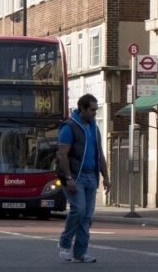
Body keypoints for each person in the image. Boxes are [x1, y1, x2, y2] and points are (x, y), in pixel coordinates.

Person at [56, 92, 110, 264]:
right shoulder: (69, 127)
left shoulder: (94, 128)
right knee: (78, 210)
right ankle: (65, 244)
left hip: (90, 176)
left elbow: (99, 154)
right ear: (82, 109)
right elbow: (62, 154)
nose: (95, 113)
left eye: (96, 109)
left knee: (86, 216)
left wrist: (106, 176)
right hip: (74, 176)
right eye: (92, 110)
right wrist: (68, 177)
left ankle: (81, 252)